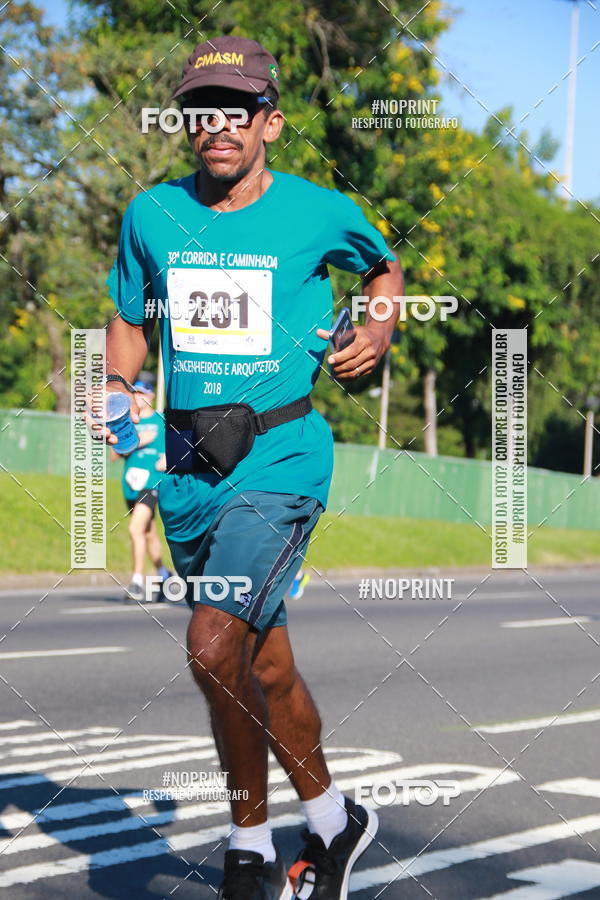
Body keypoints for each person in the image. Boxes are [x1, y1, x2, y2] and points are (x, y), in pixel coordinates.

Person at [101, 35, 403, 900]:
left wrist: (378, 328)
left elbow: (382, 266)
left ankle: (247, 844)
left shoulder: (316, 211)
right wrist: (120, 384)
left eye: (235, 109)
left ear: (268, 121)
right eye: (201, 110)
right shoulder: (152, 214)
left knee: (209, 642)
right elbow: (130, 315)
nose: (215, 125)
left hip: (280, 456)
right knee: (259, 664)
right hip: (187, 470)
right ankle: (334, 820)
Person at [110, 379, 171, 602]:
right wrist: (137, 442)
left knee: (135, 529)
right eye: (135, 393)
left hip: (152, 484)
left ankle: (136, 581)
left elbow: (180, 450)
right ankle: (164, 576)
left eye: (143, 393)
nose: (139, 397)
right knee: (148, 533)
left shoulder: (162, 421)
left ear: (152, 396)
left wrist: (168, 460)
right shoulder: (128, 422)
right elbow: (114, 455)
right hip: (130, 486)